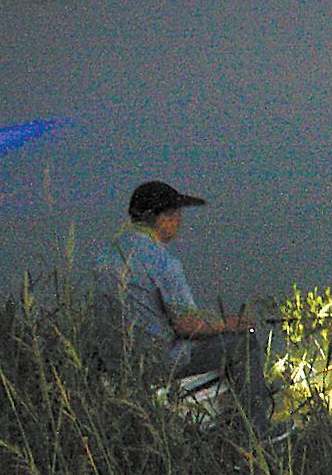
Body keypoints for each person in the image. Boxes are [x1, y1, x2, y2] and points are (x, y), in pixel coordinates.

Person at [92, 180, 275, 435]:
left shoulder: (106, 255)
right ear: (164, 217)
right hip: (159, 360)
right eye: (176, 214)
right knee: (242, 344)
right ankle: (258, 431)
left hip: (118, 363)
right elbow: (186, 324)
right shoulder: (162, 260)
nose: (179, 221)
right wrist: (228, 323)